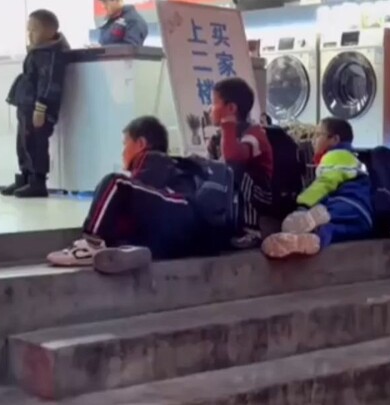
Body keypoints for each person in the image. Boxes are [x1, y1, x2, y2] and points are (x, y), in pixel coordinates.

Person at [46, 116, 202, 271]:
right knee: (122, 216)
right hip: (178, 236)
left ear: (141, 144)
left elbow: (132, 201)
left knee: (115, 183)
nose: (123, 152)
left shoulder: (153, 159)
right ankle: (131, 249)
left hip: (181, 211)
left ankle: (91, 244)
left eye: (125, 144)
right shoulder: (169, 168)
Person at [262, 117, 373, 258]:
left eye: (318, 135)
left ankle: (312, 218)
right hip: (363, 217)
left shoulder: (336, 156)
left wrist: (303, 205)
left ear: (334, 139)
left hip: (343, 206)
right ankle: (313, 239)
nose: (313, 140)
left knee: (323, 215)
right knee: (330, 230)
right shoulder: (352, 158)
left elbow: (324, 183)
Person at [3, 9, 69, 198]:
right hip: (26, 106)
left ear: (50, 31)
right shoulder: (38, 51)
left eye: (35, 30)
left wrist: (41, 108)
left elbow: (48, 84)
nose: (30, 34)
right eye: (28, 30)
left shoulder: (51, 54)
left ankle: (37, 181)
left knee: (36, 143)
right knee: (23, 142)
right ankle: (25, 176)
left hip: (37, 108)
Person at [211, 78, 274, 249]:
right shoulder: (221, 137)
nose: (211, 109)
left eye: (215, 103)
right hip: (242, 194)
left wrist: (227, 125)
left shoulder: (255, 134)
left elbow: (234, 158)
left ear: (231, 108)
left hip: (261, 195)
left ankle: (251, 231)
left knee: (234, 170)